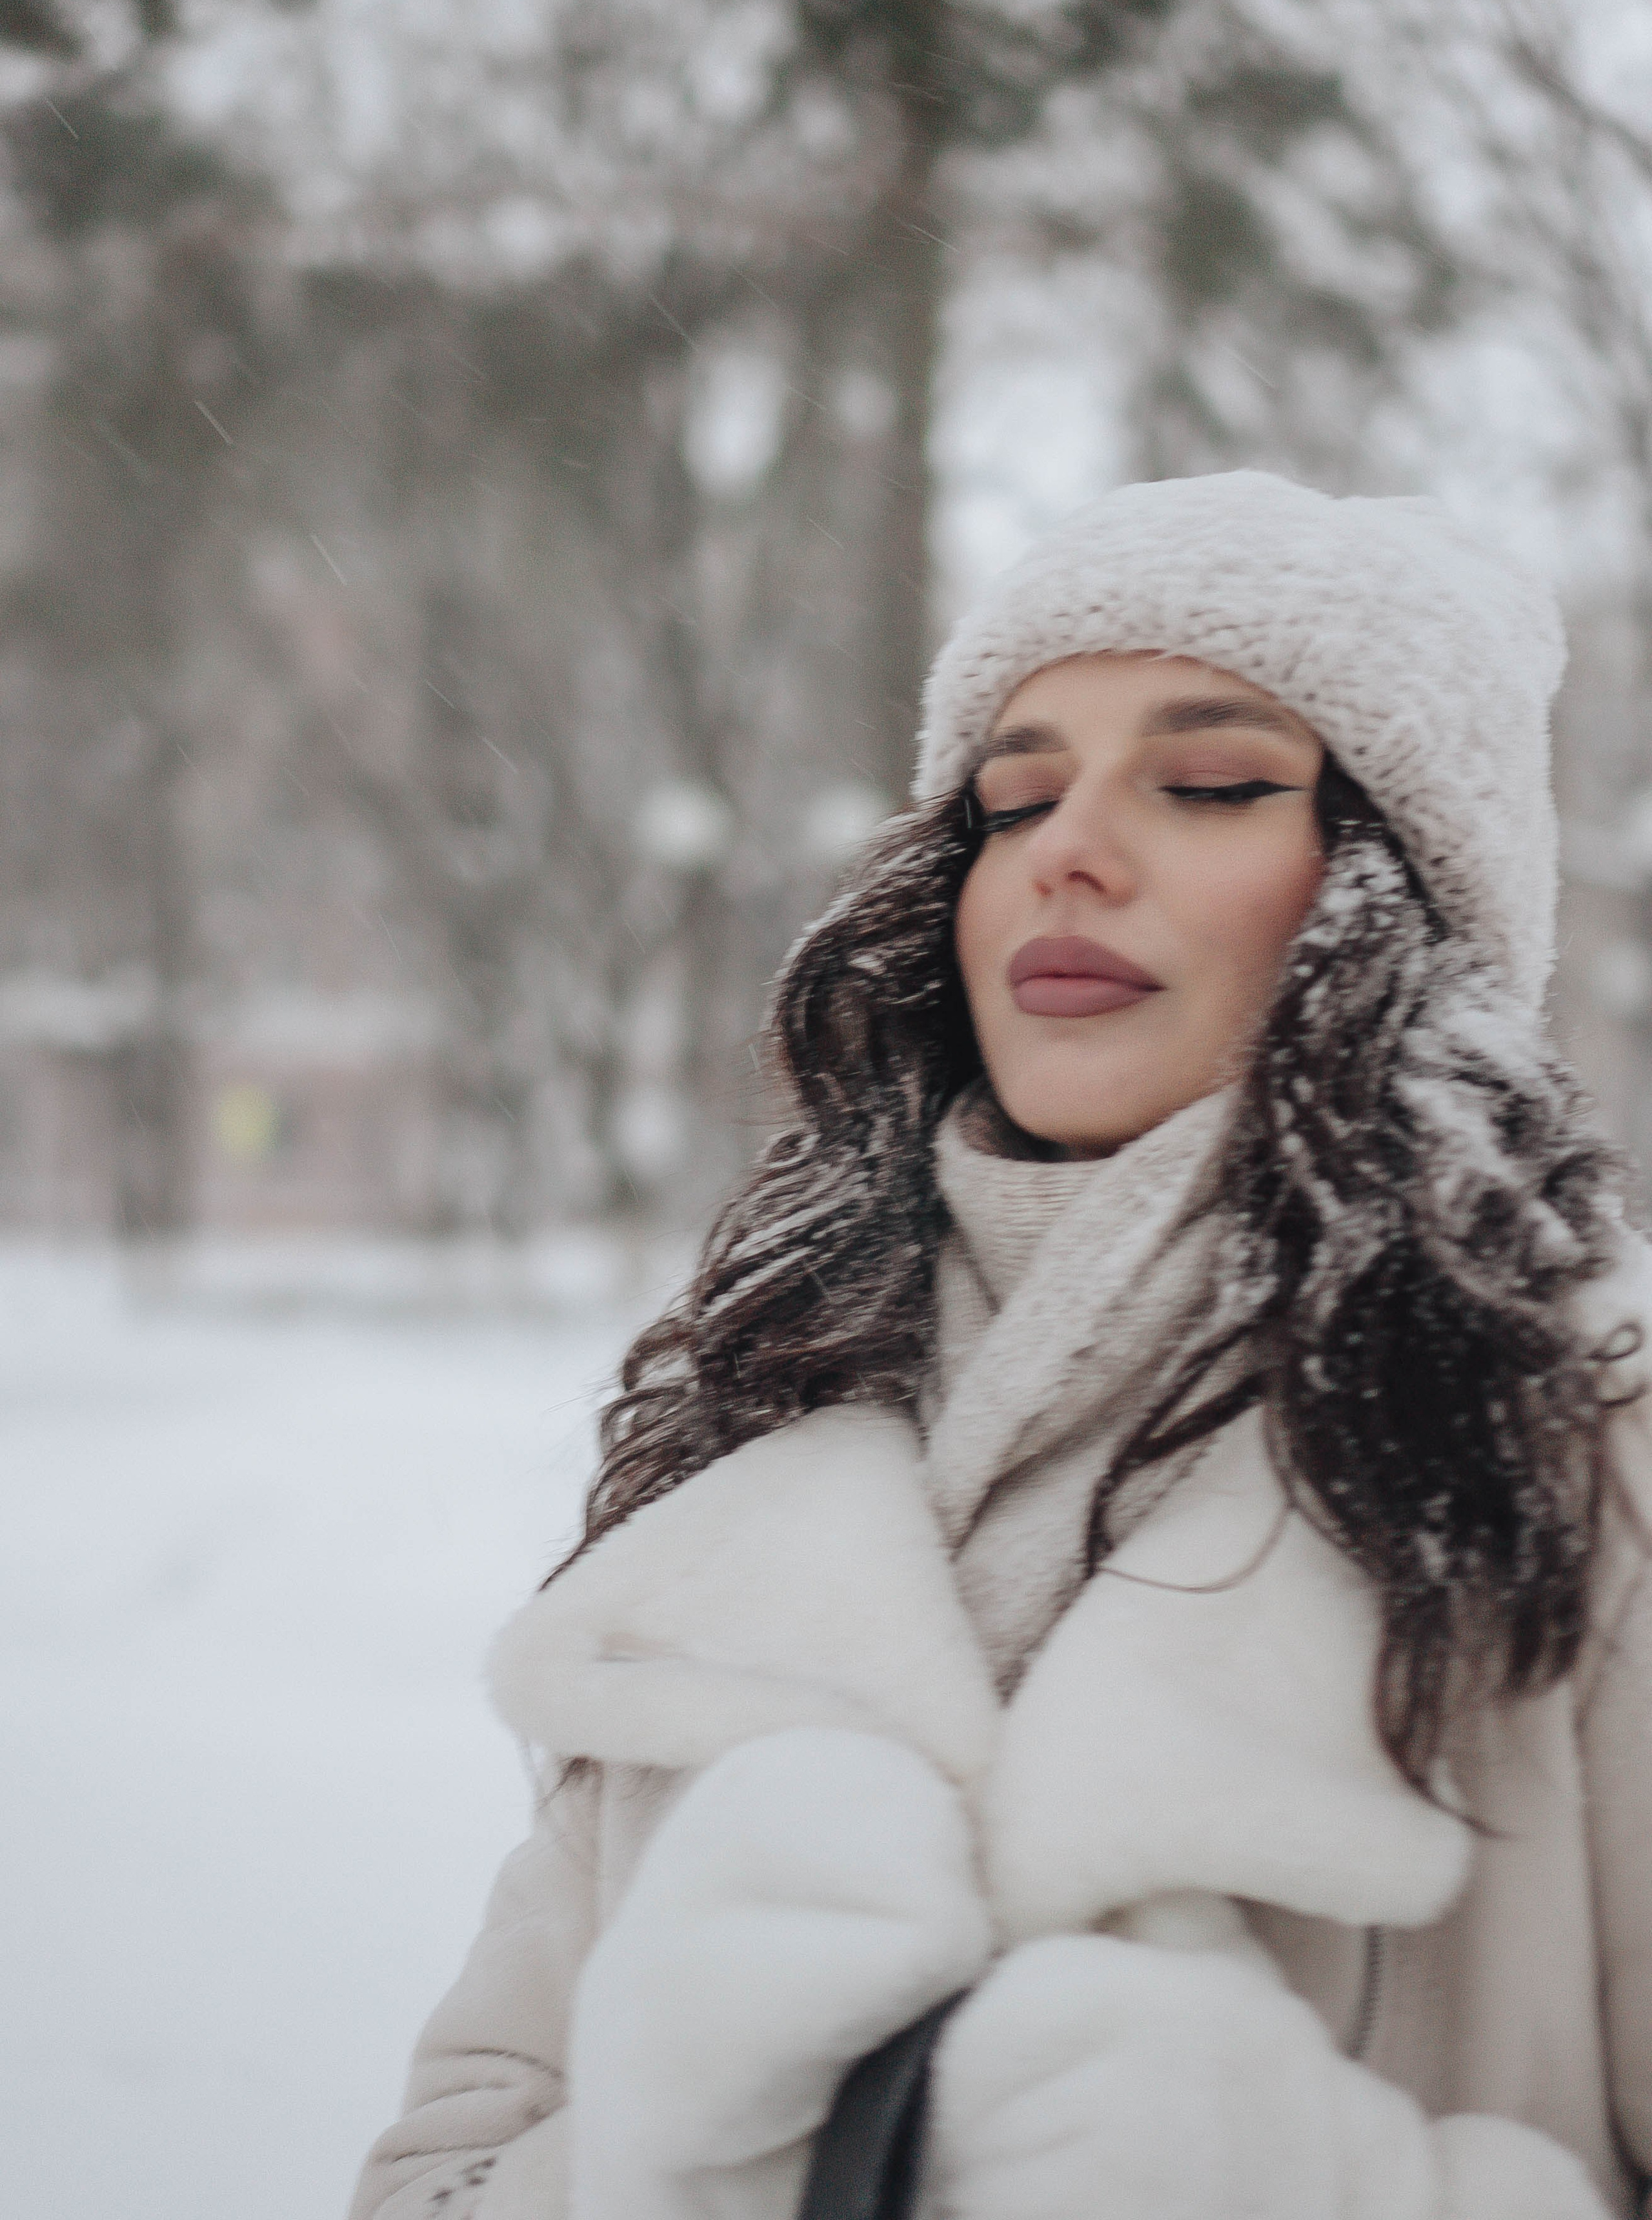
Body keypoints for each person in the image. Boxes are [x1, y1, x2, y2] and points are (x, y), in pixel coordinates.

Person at [349, 471, 1652, 2220]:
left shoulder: (1589, 1452)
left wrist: (1315, 2188)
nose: (1066, 851)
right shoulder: (766, 1439)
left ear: (1398, 904)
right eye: (1013, 798)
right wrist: (678, 2144)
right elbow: (432, 2182)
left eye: (1211, 784)